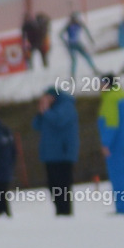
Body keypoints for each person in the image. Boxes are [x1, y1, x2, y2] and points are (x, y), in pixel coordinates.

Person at [97, 74, 124, 215]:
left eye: (101, 83)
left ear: (106, 84)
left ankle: (123, 209)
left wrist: (105, 143)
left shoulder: (110, 98)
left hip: (116, 144)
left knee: (118, 176)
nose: (99, 87)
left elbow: (111, 123)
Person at [33, 87, 80, 216]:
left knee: (63, 185)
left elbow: (59, 121)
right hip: (50, 154)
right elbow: (36, 125)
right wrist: (40, 112)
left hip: (62, 153)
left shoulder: (66, 106)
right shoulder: (48, 110)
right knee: (52, 185)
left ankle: (65, 211)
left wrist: (46, 111)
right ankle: (59, 210)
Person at [60, 12, 98, 78]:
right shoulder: (78, 24)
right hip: (76, 43)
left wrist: (65, 42)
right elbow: (87, 31)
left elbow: (60, 35)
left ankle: (72, 75)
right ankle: (94, 69)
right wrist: (91, 39)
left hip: (70, 44)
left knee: (74, 60)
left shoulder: (69, 25)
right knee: (86, 56)